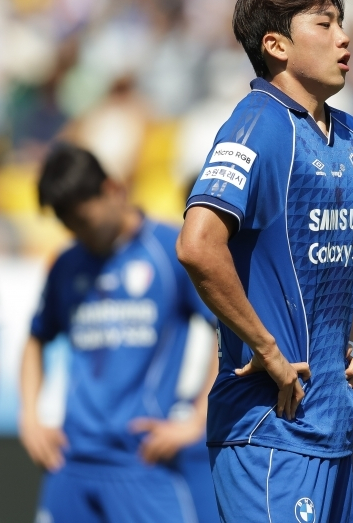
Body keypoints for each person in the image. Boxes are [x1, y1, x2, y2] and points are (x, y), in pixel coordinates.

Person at [176, 0, 353, 523]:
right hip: (267, 428)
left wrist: (350, 344)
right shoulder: (257, 125)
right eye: (325, 23)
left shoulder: (352, 135)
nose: (343, 38)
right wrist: (266, 349)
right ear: (276, 45)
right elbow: (197, 244)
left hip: (330, 424)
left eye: (342, 23)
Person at [20, 142, 219, 523]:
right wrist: (31, 419)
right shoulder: (66, 264)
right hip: (70, 460)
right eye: (68, 225)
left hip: (141, 460)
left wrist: (196, 420)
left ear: (113, 190)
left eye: (84, 221)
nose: (79, 233)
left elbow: (226, 330)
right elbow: (35, 338)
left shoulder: (171, 250)